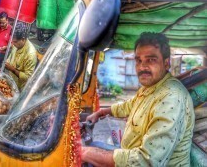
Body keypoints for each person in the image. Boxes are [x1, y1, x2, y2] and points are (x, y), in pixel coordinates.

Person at [81, 32, 195, 166]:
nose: (142, 67)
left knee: (88, 153)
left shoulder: (171, 97)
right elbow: (129, 105)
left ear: (166, 63)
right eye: (138, 60)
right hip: (130, 152)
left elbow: (147, 161)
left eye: (151, 60)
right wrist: (100, 113)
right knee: (94, 145)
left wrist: (84, 152)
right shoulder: (149, 88)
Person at [5, 22, 37, 91]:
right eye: (12, 41)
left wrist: (12, 69)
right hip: (11, 80)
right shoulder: (17, 44)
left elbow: (27, 77)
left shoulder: (30, 54)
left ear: (23, 39)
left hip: (20, 88)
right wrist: (7, 62)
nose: (13, 44)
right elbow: (11, 55)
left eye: (15, 42)